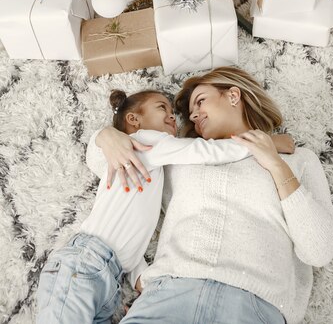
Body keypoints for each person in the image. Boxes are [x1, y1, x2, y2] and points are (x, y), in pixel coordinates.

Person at [88, 67, 333, 324]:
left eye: (200, 101)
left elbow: (319, 250)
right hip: (166, 296)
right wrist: (104, 136)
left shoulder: (297, 159)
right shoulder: (180, 157)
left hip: (252, 306)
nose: (194, 115)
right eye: (191, 113)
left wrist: (276, 165)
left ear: (233, 95)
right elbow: (106, 166)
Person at [36, 87, 294, 324]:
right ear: (134, 120)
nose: (173, 117)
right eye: (162, 108)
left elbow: (134, 238)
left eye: (173, 113)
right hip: (86, 262)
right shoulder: (146, 141)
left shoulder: (152, 169)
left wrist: (142, 280)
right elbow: (207, 151)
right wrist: (266, 145)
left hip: (109, 274)